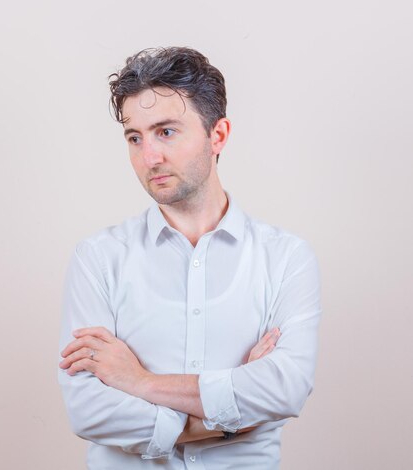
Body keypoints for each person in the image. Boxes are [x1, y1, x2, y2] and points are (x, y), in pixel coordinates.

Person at [57, 47, 322, 469]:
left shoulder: (285, 257)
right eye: (135, 137)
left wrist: (137, 381)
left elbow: (284, 390)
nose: (149, 158)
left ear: (218, 135)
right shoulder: (99, 258)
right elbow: (89, 409)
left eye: (166, 132)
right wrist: (232, 418)